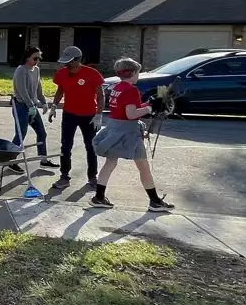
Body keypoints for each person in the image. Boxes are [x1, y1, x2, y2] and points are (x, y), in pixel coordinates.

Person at [90, 58, 174, 212]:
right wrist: (150, 108)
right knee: (143, 166)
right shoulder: (131, 90)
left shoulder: (117, 87)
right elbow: (131, 114)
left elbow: (127, 108)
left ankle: (99, 197)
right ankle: (154, 201)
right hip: (128, 133)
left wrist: (148, 103)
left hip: (115, 129)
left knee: (110, 163)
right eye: (138, 72)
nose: (138, 76)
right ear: (132, 73)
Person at [51, 46, 104, 190]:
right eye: (65, 62)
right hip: (69, 114)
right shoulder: (62, 73)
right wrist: (54, 105)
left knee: (91, 146)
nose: (66, 65)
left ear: (78, 60)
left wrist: (99, 113)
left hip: (89, 116)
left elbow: (100, 95)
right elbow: (60, 89)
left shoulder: (92, 74)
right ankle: (64, 177)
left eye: (70, 62)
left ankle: (92, 177)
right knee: (66, 146)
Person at [9, 46, 58, 172]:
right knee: (21, 133)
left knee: (42, 132)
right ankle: (11, 160)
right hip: (21, 106)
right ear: (27, 58)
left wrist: (44, 102)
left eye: (39, 58)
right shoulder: (21, 70)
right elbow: (22, 91)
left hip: (32, 106)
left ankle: (43, 160)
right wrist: (31, 106)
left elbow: (38, 88)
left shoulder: (36, 70)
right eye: (34, 58)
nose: (37, 61)